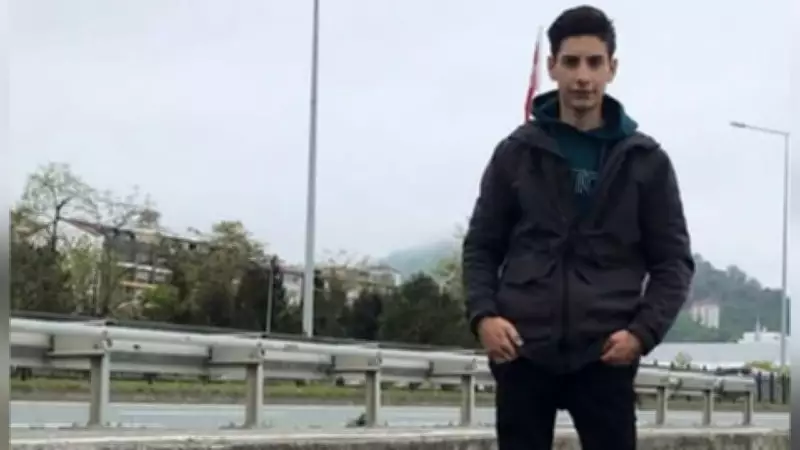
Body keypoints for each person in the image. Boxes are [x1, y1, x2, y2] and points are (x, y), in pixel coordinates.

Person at [461, 5, 695, 450]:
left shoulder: (646, 162)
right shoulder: (516, 153)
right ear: (552, 67)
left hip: (606, 354)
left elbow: (673, 263)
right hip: (523, 350)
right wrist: (484, 316)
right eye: (570, 62)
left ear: (612, 68)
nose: (582, 76)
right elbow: (482, 247)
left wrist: (641, 334)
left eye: (593, 62)